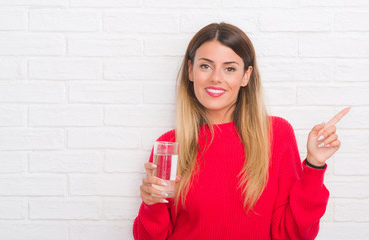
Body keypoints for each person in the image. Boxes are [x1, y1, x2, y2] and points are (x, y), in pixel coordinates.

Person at [133, 22, 350, 240]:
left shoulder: (276, 134)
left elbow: (293, 234)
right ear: (190, 71)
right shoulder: (170, 145)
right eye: (205, 66)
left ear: (246, 76)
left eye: (230, 68)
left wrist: (314, 165)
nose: (216, 77)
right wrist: (152, 204)